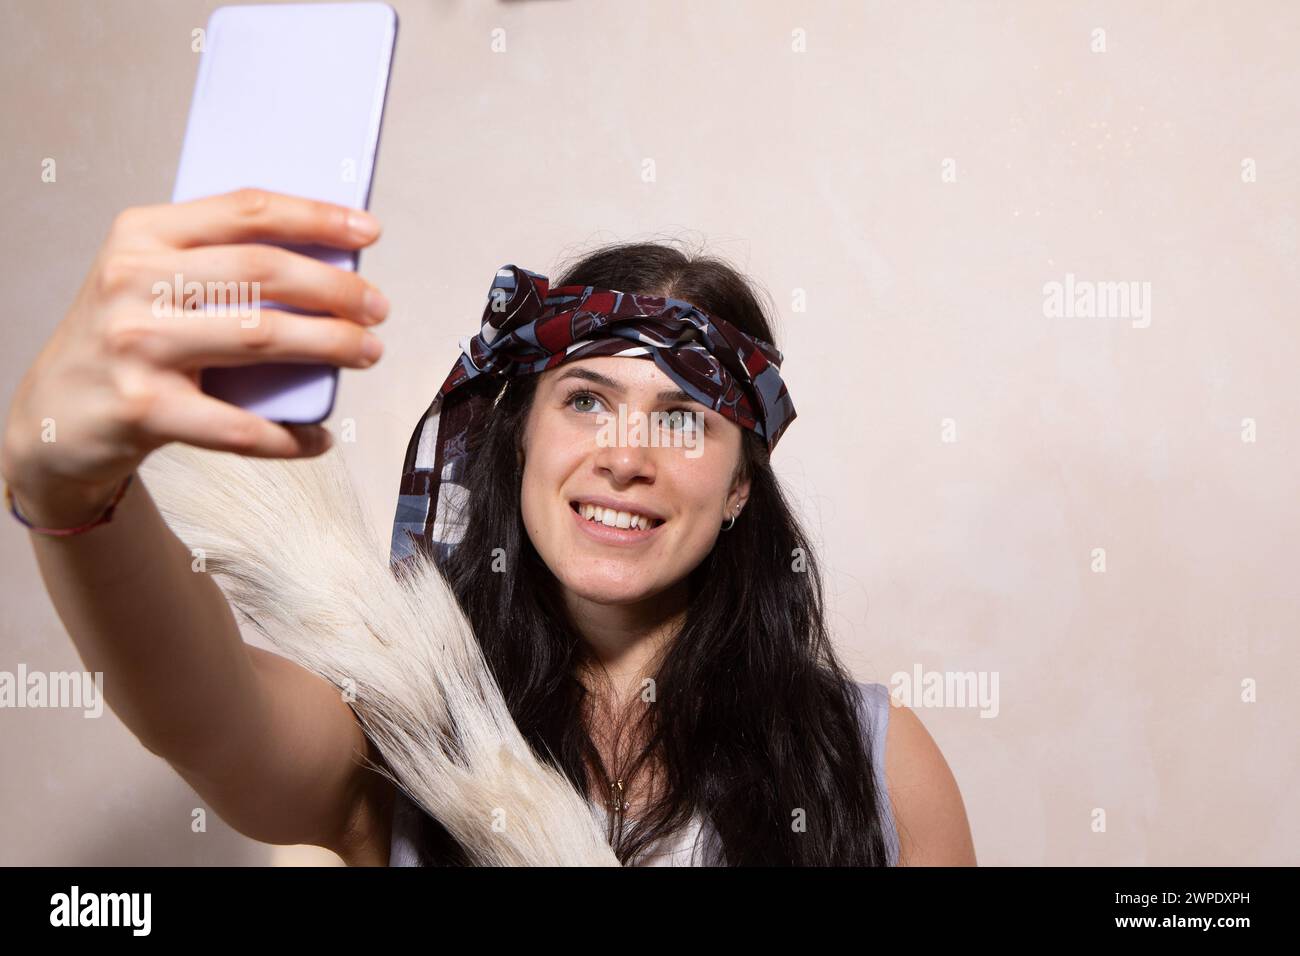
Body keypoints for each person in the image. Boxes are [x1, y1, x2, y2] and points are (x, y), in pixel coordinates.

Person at [2, 188, 977, 866]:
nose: (623, 453)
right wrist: (68, 489)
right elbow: (201, 709)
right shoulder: (401, 731)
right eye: (587, 401)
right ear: (519, 447)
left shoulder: (874, 761)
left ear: (736, 489)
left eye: (681, 417)